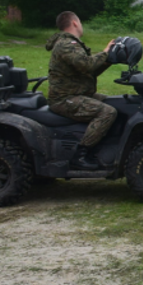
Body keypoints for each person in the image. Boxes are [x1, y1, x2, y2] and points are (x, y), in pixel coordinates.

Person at [45, 11, 117, 169]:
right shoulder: (66, 44)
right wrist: (105, 53)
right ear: (75, 23)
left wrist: (109, 59)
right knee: (107, 112)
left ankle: (106, 145)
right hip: (64, 98)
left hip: (78, 94)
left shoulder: (70, 44)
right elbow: (87, 64)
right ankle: (80, 155)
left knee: (116, 102)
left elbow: (89, 71)